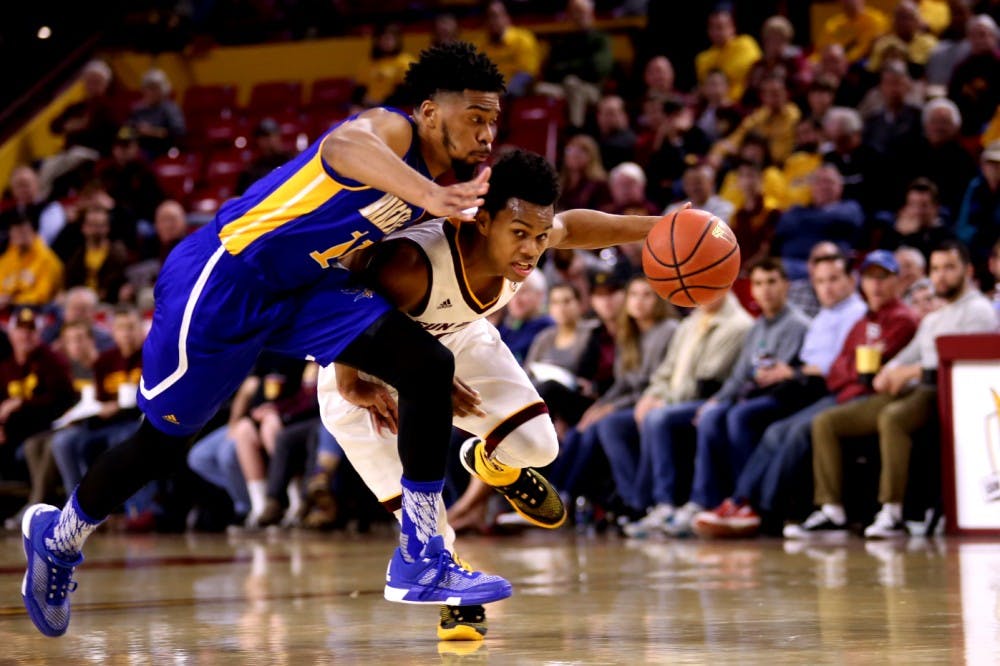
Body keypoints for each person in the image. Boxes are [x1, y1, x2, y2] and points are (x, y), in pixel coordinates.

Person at [20, 42, 510, 638]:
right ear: (431, 112)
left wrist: (353, 368)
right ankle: (61, 535)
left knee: (427, 367)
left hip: (308, 286)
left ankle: (421, 554)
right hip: (228, 275)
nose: (487, 133)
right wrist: (429, 196)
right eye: (475, 117)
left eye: (494, 121)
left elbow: (361, 258)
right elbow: (343, 145)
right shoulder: (395, 133)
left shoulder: (446, 186)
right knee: (163, 442)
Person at [318, 148, 666, 639]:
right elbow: (347, 298)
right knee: (423, 517)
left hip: (457, 338)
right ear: (482, 221)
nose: (531, 250)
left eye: (540, 238)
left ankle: (490, 461)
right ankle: (453, 591)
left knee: (540, 447)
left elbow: (579, 227)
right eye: (520, 234)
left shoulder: (532, 238)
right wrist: (359, 380)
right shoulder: (414, 263)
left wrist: (662, 226)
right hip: (364, 365)